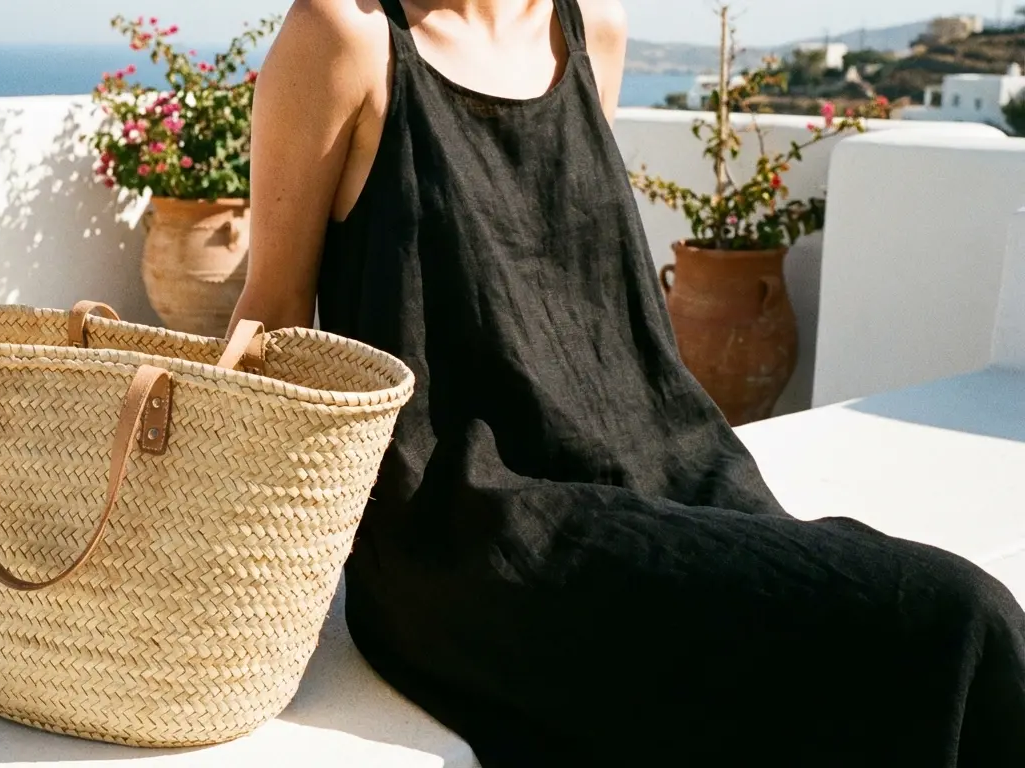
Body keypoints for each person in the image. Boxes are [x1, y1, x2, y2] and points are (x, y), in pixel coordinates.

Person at [231, 0, 1025, 764]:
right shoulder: (345, 35)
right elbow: (271, 307)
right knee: (951, 615)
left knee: (890, 627)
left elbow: (562, 273)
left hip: (666, 460)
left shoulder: (590, 26)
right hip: (468, 529)